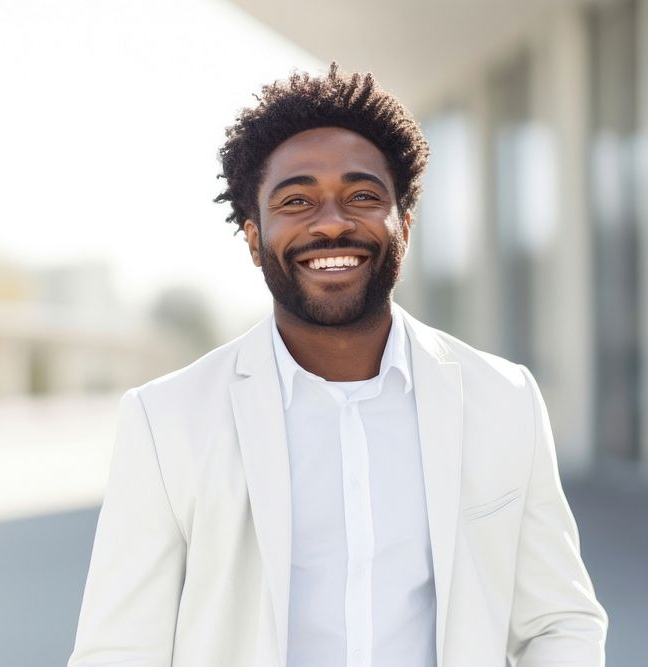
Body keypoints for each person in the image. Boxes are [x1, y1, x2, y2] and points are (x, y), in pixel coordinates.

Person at [68, 64, 607, 667]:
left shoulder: (503, 398)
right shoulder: (166, 420)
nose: (331, 222)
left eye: (362, 196)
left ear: (404, 222)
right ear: (254, 238)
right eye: (296, 201)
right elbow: (119, 650)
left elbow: (559, 622)